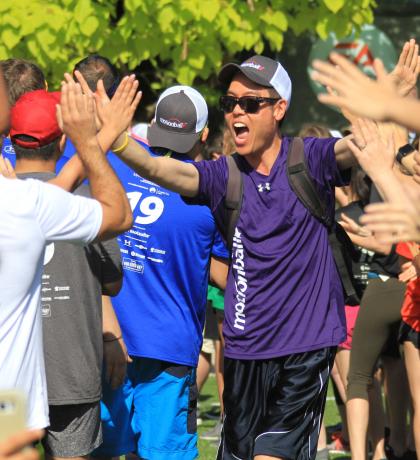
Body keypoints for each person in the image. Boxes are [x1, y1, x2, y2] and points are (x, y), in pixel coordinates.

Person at [98, 54, 361, 460]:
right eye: (230, 102)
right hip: (244, 350)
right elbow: (165, 170)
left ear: (279, 109)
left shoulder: (308, 158)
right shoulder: (226, 175)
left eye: (250, 103)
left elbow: (356, 148)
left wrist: (382, 105)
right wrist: (118, 140)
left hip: (303, 349)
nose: (237, 110)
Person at [0, 75, 133, 430]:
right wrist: (92, 140)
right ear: (61, 142)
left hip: (11, 403)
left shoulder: (18, 199)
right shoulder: (32, 203)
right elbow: (118, 217)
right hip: (64, 378)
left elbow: (46, 196)